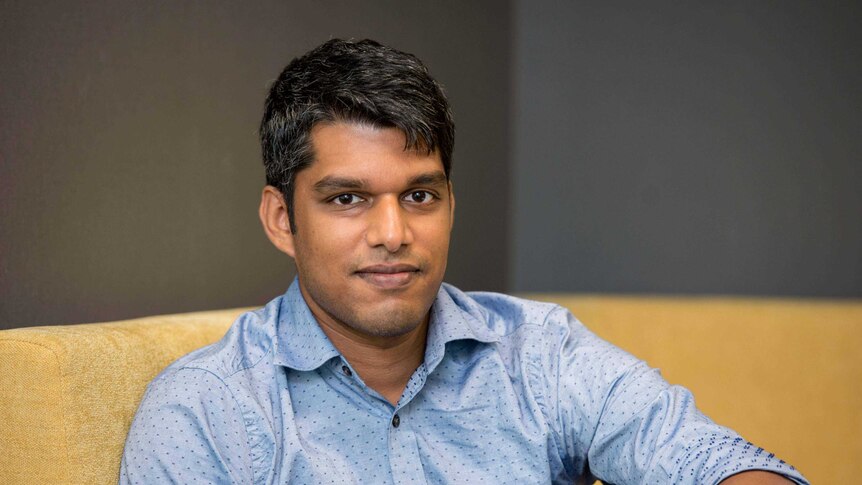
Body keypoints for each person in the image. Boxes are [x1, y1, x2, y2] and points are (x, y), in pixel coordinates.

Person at [120, 39, 808, 484]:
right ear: (282, 218)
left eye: (420, 193)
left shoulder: (540, 354)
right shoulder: (206, 413)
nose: (393, 233)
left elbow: (703, 456)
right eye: (348, 198)